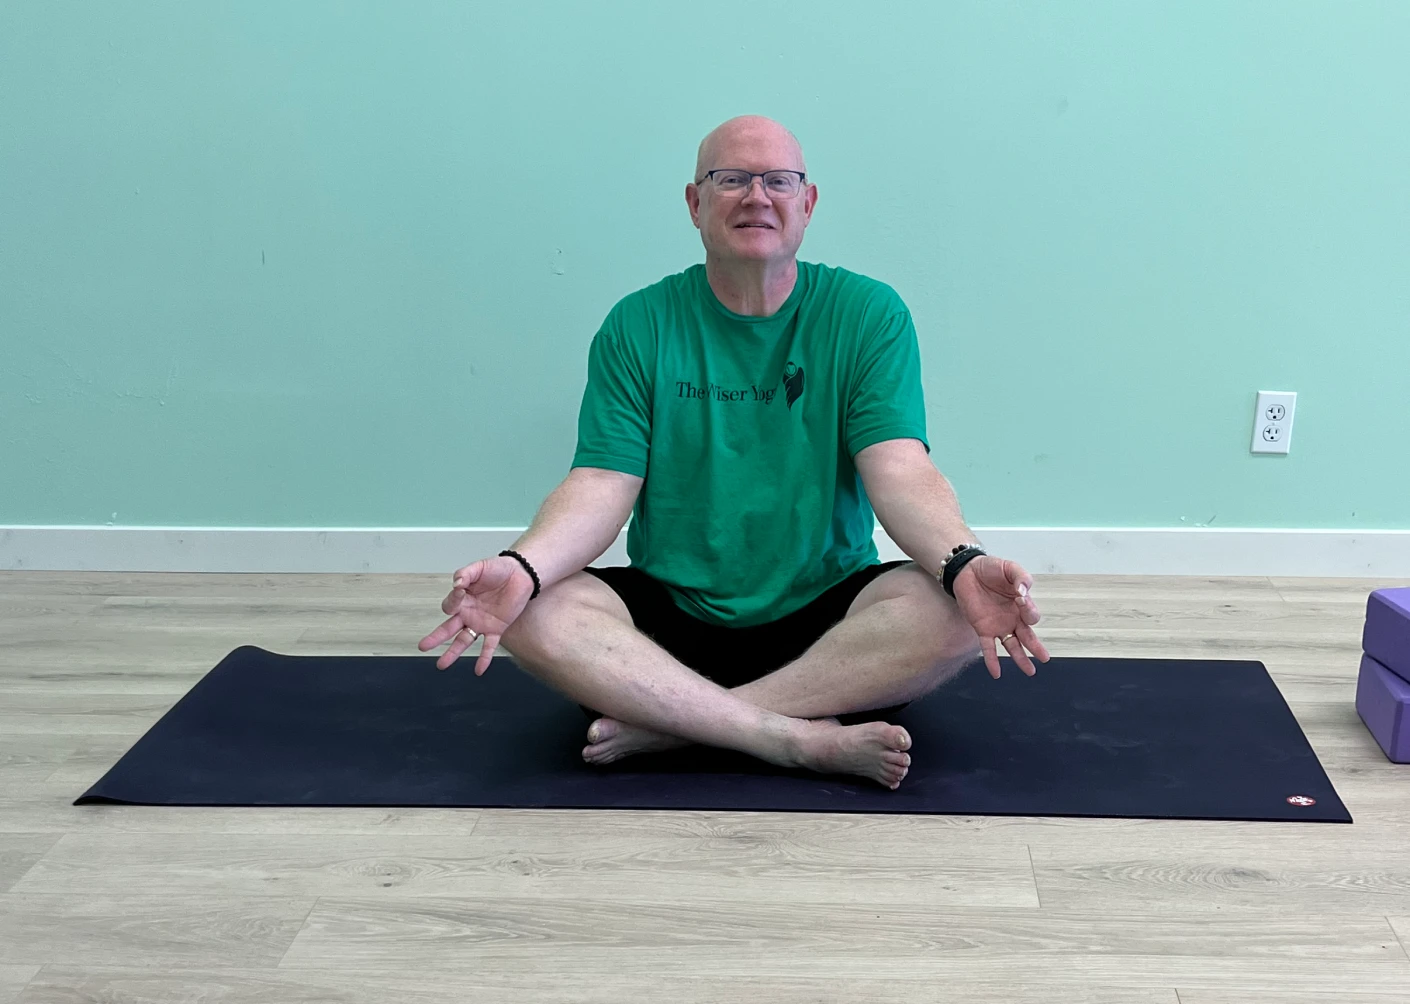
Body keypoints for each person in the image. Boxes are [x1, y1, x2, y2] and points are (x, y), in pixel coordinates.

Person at [419, 115, 1049, 789]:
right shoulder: (640, 322)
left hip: (826, 623)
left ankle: (673, 725)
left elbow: (899, 467)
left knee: (951, 610)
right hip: (672, 616)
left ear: (806, 204)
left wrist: (963, 561)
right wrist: (524, 565)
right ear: (694, 204)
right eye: (731, 180)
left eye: (778, 181)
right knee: (533, 607)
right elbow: (601, 481)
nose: (757, 197)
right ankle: (789, 739)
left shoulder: (868, 314)